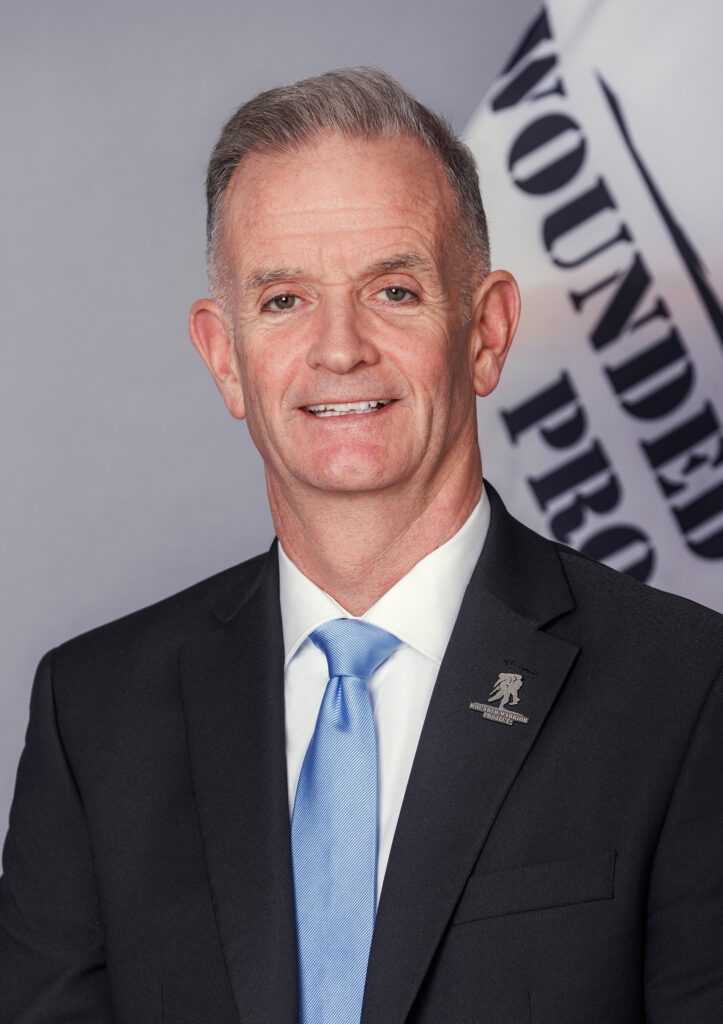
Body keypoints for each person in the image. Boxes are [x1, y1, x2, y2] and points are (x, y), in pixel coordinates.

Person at [1, 67, 721, 1024]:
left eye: (392, 288)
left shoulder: (685, 690)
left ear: (487, 331)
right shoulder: (93, 716)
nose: (340, 349)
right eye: (284, 300)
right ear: (225, 357)